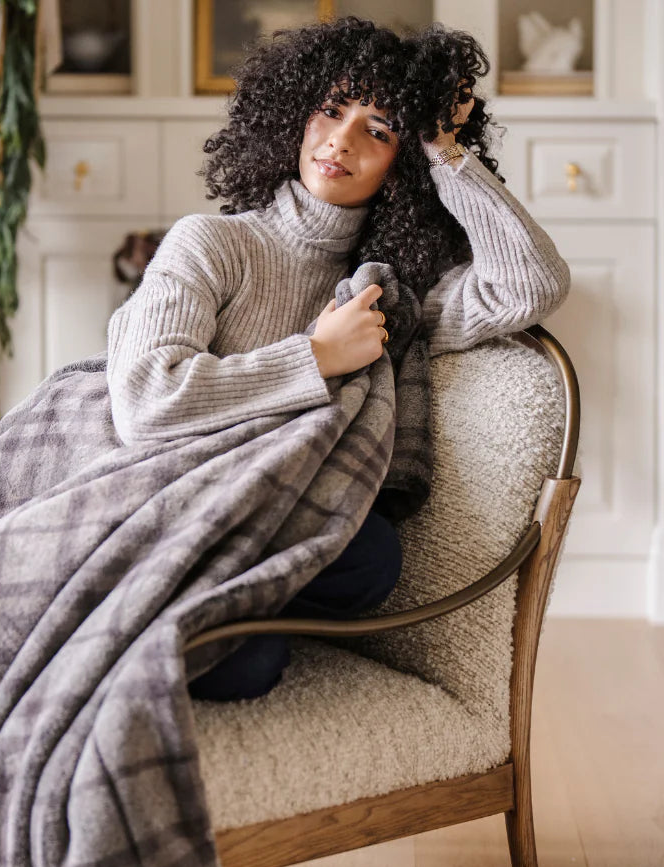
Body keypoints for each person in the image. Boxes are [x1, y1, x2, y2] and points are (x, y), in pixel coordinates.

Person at [105, 16, 572, 702]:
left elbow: (533, 285)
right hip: (172, 498)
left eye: (379, 131)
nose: (342, 140)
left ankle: (199, 611)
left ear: (401, 166)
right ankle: (161, 613)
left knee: (370, 557)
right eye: (330, 110)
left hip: (278, 522)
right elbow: (146, 402)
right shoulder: (211, 243)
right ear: (293, 116)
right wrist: (316, 357)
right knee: (251, 660)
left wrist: (443, 147)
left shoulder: (389, 296)